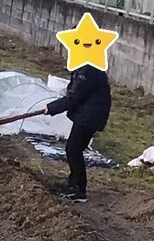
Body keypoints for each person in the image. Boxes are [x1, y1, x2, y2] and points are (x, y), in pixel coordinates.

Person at [45, 64, 111, 204]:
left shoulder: (88, 70)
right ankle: (74, 184)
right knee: (74, 148)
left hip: (91, 115)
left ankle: (79, 190)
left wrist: (50, 108)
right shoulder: (87, 68)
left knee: (73, 148)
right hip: (89, 113)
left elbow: (74, 97)